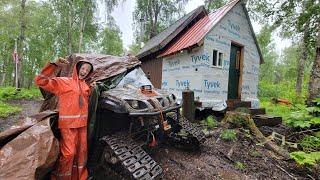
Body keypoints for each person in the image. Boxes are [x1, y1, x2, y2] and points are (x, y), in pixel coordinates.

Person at [34, 57, 94, 180]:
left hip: (82, 126)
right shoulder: (64, 82)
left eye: (88, 70)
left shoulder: (85, 86)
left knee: (81, 154)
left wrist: (92, 88)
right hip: (68, 125)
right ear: (77, 69)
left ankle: (79, 177)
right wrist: (54, 65)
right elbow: (40, 81)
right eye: (83, 68)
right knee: (69, 154)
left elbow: (84, 98)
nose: (85, 71)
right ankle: (61, 177)